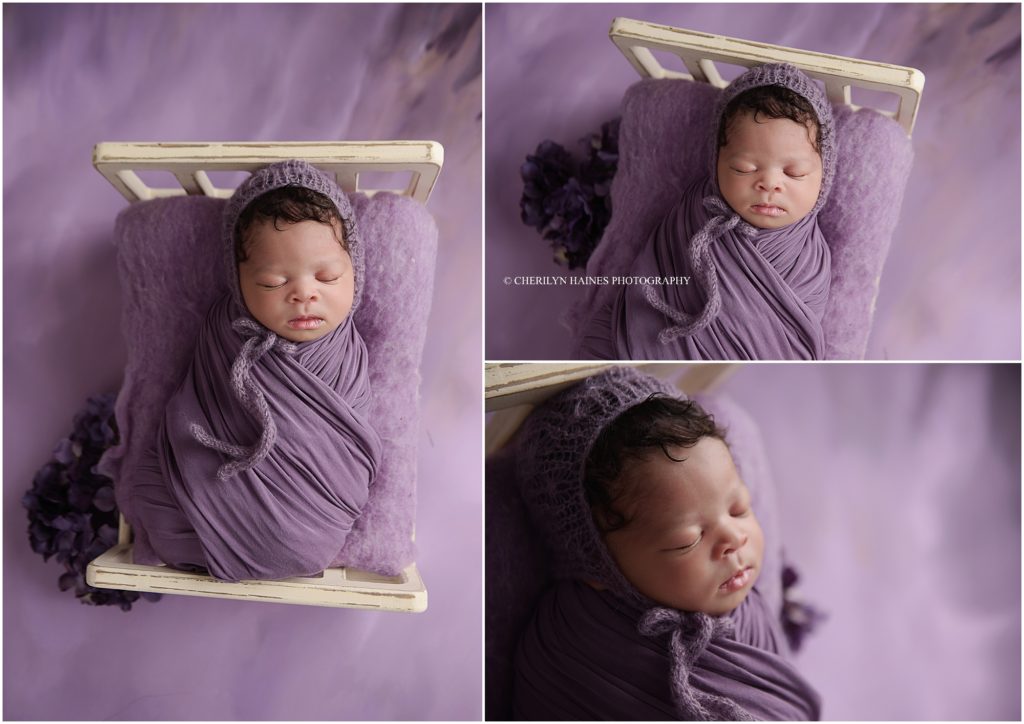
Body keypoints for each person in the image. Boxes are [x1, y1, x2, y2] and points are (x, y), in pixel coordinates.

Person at [513, 366, 820, 720]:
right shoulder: (570, 650)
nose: (735, 539)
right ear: (598, 564)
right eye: (688, 541)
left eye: (739, 509)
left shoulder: (748, 610)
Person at [130, 160, 381, 582]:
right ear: (239, 281)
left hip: (313, 523)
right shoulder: (225, 332)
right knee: (156, 488)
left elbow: (349, 447)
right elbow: (194, 406)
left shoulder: (347, 352)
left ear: (354, 271)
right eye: (272, 282)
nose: (303, 293)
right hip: (205, 499)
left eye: (327, 276)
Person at [578, 64, 834, 360]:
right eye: (744, 169)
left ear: (823, 177)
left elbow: (795, 345)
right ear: (715, 161)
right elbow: (651, 280)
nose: (770, 184)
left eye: (795, 172)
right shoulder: (693, 214)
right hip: (641, 341)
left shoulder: (810, 261)